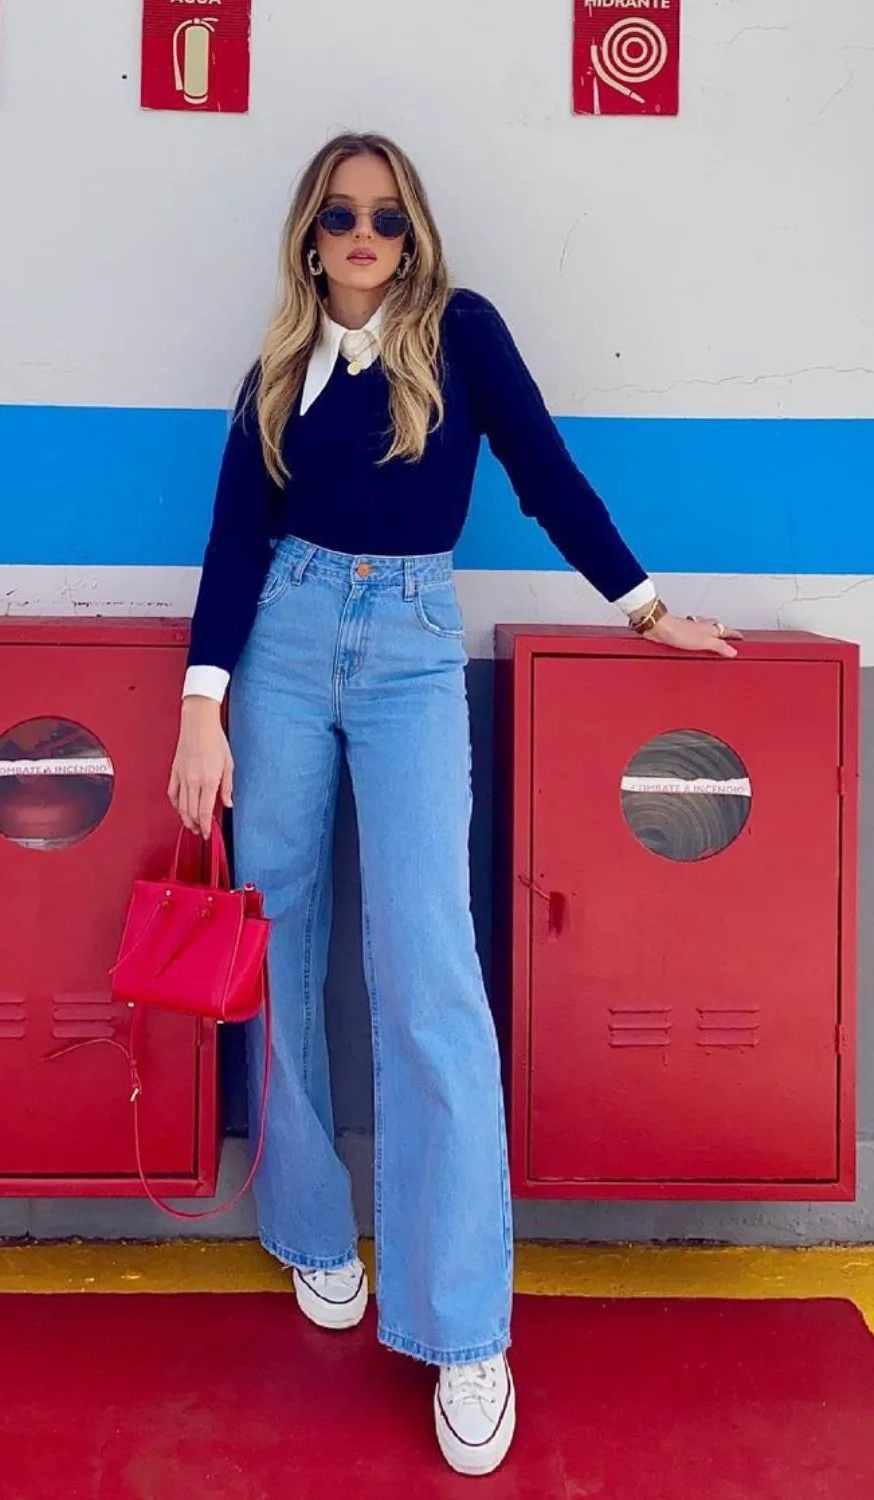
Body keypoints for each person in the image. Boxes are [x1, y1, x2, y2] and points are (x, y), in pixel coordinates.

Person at [169, 132, 737, 1478]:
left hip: (415, 645)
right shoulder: (278, 368)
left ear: (413, 233)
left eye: (387, 217)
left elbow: (544, 477)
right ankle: (313, 1229)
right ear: (311, 237)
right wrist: (201, 704)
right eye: (341, 217)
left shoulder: (461, 332)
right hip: (285, 649)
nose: (366, 236)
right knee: (282, 933)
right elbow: (235, 538)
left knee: (432, 967)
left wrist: (646, 608)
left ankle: (465, 1324)